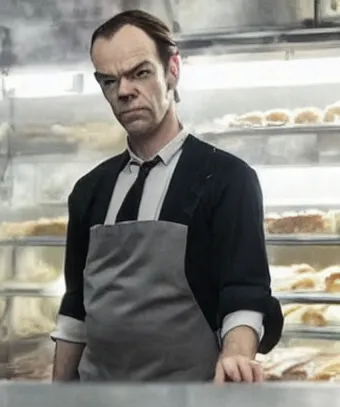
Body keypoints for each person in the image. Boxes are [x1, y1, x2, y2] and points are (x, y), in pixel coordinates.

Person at [50, 9, 283, 383]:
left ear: (173, 69)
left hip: (192, 403)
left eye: (140, 73)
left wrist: (236, 356)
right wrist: (57, 400)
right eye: (109, 81)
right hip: (98, 405)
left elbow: (244, 293)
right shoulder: (89, 191)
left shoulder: (227, 179)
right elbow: (76, 309)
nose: (124, 91)